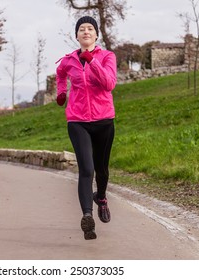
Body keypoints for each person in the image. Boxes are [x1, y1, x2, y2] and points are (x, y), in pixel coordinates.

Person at [55, 16, 117, 240]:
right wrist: (61, 92)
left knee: (102, 170)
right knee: (86, 169)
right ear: (77, 35)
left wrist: (92, 61)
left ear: (96, 34)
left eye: (90, 28)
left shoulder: (107, 57)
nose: (86, 31)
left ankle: (100, 197)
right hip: (77, 120)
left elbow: (109, 83)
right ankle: (87, 218)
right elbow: (60, 75)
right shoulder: (68, 60)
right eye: (82, 29)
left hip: (103, 120)